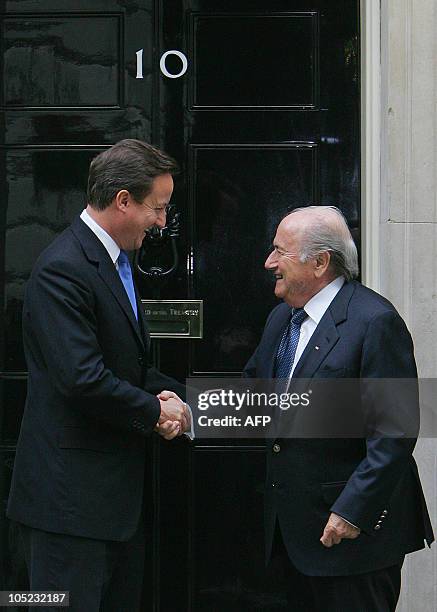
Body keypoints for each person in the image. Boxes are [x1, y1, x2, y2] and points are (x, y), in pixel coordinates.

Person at [7, 139, 191, 611]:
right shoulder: (63, 269)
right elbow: (82, 379)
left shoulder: (114, 262)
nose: (162, 223)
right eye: (158, 208)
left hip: (107, 508)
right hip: (69, 510)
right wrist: (156, 412)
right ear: (123, 201)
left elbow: (125, 365)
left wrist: (181, 399)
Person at [243, 206, 434, 611]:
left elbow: (395, 433)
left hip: (352, 537)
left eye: (280, 251)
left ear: (319, 262)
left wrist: (352, 512)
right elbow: (253, 395)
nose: (269, 262)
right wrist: (187, 411)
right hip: (294, 534)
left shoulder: (374, 321)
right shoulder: (281, 320)